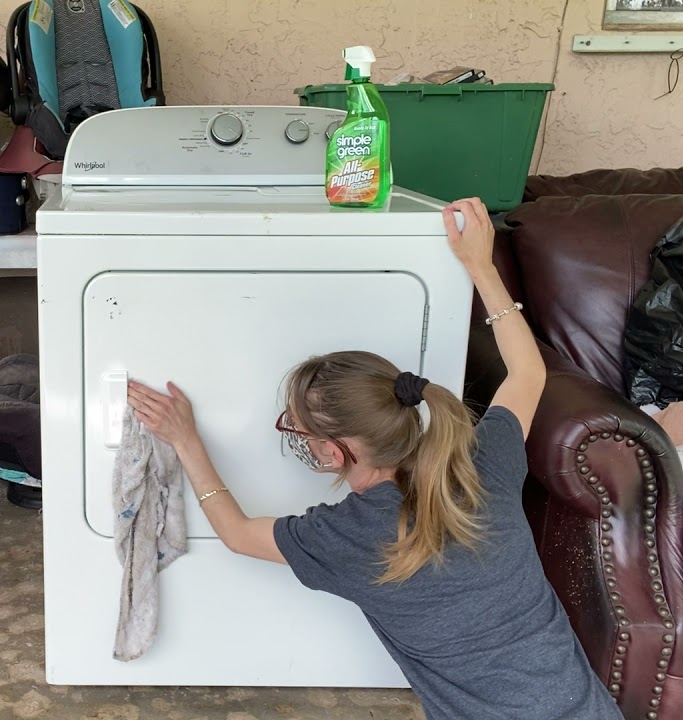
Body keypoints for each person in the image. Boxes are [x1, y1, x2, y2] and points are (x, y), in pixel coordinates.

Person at [126, 198, 623, 720]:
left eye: (294, 425)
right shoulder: (480, 466)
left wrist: (186, 441)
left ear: (338, 450)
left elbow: (236, 533)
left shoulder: (349, 535)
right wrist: (481, 265)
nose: (291, 432)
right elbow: (528, 375)